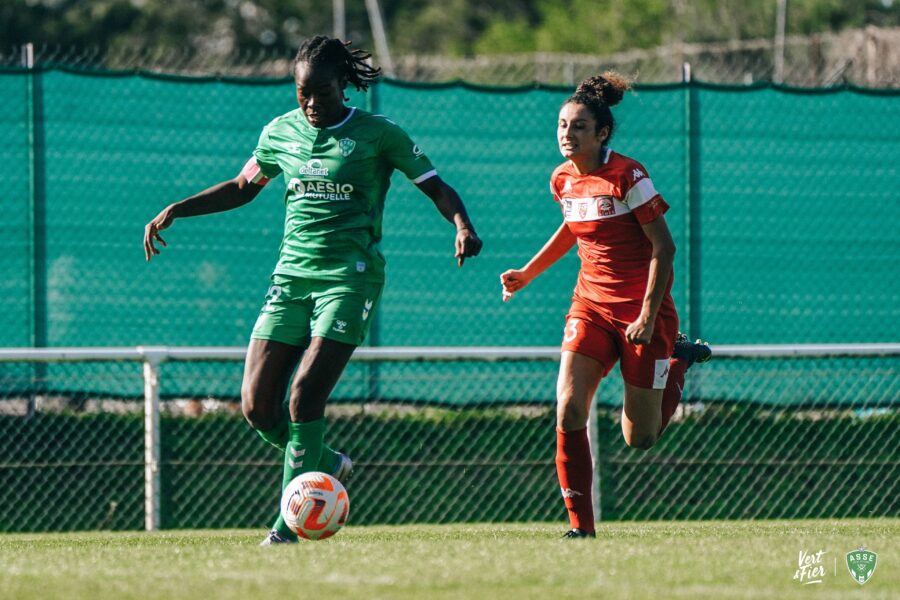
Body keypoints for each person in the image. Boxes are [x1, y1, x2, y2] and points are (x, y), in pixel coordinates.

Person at [143, 35, 482, 545]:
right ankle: (324, 462)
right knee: (258, 407)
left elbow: (435, 185)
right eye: (303, 93)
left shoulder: (378, 134)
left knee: (304, 397)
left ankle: (285, 529)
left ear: (343, 85)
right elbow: (242, 187)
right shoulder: (280, 132)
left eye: (321, 93)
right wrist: (178, 208)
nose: (311, 103)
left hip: (349, 278)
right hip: (290, 280)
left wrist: (461, 224)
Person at [500, 72, 709, 539]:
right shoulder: (561, 180)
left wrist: (648, 316)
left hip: (642, 314)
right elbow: (574, 228)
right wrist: (528, 273)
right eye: (560, 125)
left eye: (577, 127)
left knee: (641, 438)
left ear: (602, 133)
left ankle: (677, 359)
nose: (566, 135)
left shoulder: (629, 175)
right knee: (569, 407)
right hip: (589, 305)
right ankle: (581, 531)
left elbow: (665, 249)